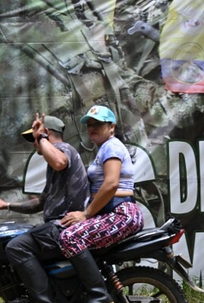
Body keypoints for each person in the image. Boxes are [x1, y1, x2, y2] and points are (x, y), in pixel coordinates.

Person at [0, 114, 89, 303]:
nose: (34, 143)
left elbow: (60, 162)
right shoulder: (54, 164)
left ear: (46, 134)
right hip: (57, 227)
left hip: (62, 228)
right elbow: (40, 202)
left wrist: (42, 139)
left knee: (15, 247)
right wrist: (7, 205)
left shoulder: (63, 149)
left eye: (35, 138)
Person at [59, 105, 144, 303]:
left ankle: (99, 298)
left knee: (69, 238)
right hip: (111, 212)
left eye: (97, 124)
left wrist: (86, 214)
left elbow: (111, 183)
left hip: (120, 213)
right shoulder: (104, 149)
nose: (91, 128)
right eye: (89, 125)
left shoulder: (112, 146)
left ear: (111, 127)